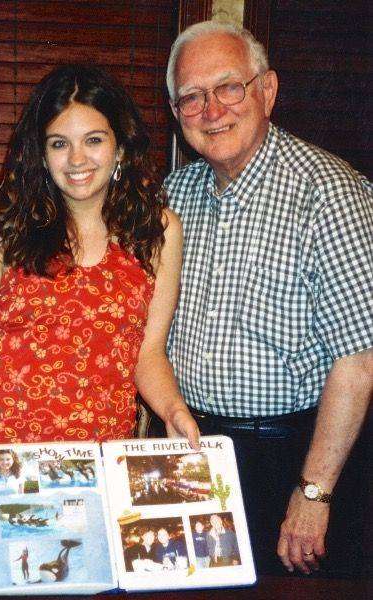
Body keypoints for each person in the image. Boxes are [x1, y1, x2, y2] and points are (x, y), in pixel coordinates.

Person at [162, 20, 372, 576]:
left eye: (229, 87)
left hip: (291, 459)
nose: (212, 110)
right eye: (191, 97)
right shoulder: (172, 196)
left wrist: (314, 492)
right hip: (191, 449)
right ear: (176, 112)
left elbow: (359, 359)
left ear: (268, 90)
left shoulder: (330, 193)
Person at [0, 64, 199, 489]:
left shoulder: (159, 231)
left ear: (120, 147)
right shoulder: (0, 230)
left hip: (99, 465)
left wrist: (174, 411)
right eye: (59, 143)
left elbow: (149, 353)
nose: (77, 159)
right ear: (42, 155)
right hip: (0, 462)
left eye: (94, 140)